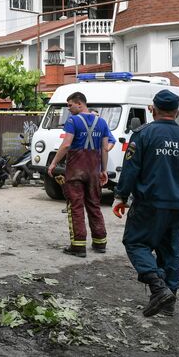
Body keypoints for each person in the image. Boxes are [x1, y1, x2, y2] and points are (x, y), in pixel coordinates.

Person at [113, 89, 179, 317]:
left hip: (150, 203)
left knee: (135, 243)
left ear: (152, 110)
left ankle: (158, 288)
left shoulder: (143, 135)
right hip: (178, 205)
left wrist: (121, 196)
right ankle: (168, 302)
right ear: (178, 112)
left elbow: (131, 169)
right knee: (170, 250)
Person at [47, 92, 111, 257]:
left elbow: (66, 144)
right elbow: (104, 148)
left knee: (75, 206)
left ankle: (78, 246)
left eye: (70, 105)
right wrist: (103, 170)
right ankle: (100, 242)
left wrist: (54, 163)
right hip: (93, 170)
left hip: (76, 170)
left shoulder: (72, 121)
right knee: (94, 205)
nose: (69, 109)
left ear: (79, 103)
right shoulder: (102, 122)